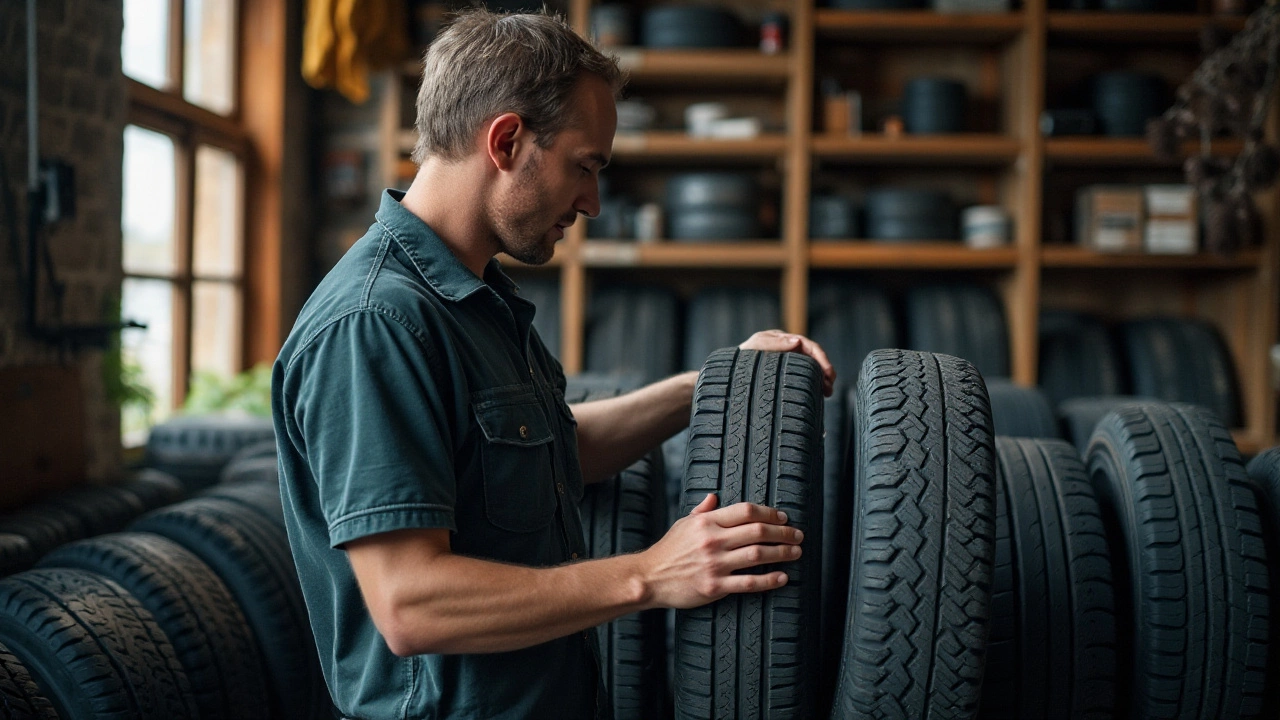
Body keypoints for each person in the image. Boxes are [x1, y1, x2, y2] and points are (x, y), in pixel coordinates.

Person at [272, 9, 836, 720]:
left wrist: (715, 385)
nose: (593, 203)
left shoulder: (474, 299)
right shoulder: (376, 324)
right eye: (585, 167)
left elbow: (552, 451)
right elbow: (411, 603)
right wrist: (650, 575)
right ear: (506, 140)